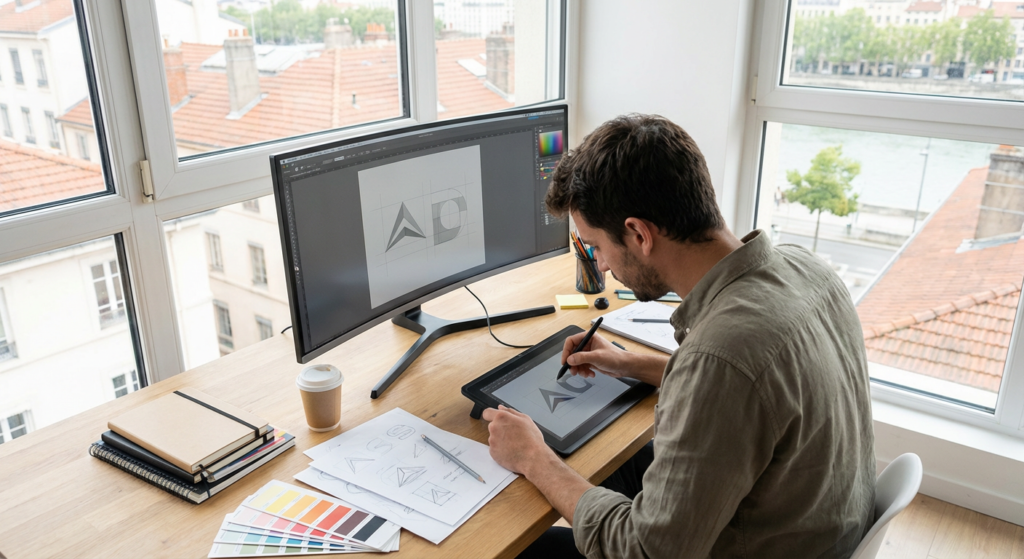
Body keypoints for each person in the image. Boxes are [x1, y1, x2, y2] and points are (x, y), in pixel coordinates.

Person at [481, 114, 876, 558]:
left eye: (596, 247)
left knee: (511, 546)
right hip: (810, 523)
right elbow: (756, 389)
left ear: (638, 234)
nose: (603, 266)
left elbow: (645, 552)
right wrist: (631, 363)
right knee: (610, 466)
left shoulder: (720, 358)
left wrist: (534, 457)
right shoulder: (807, 268)